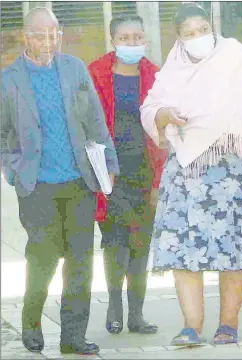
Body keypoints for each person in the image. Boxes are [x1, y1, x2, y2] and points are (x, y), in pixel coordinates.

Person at [141, 2, 242, 347]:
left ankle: (228, 325)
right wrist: (167, 113)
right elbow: (151, 107)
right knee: (184, 250)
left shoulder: (239, 58)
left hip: (233, 170)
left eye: (203, 30)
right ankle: (191, 326)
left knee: (235, 249)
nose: (197, 38)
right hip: (187, 174)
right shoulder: (173, 68)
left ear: (213, 28)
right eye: (189, 33)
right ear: (179, 38)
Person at [1, 7, 119, 356]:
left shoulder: (74, 69)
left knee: (81, 260)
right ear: (26, 37)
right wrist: (14, 170)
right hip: (37, 186)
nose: (48, 41)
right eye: (40, 35)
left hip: (79, 180)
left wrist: (108, 161)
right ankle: (32, 320)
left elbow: (96, 120)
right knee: (44, 258)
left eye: (54, 34)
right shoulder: (9, 80)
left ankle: (73, 337)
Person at [88, 15, 167, 335]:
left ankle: (137, 313)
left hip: (144, 173)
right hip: (108, 174)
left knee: (140, 244)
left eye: (137, 37)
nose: (132, 43)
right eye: (125, 38)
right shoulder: (94, 73)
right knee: (115, 242)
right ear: (112, 40)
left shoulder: (155, 75)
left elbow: (164, 133)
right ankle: (114, 308)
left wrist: (158, 181)